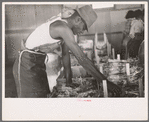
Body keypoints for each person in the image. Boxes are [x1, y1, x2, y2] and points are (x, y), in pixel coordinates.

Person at [13, 5, 121, 98]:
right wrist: (105, 81)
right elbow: (82, 58)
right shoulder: (62, 27)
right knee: (33, 99)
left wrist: (69, 81)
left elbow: (65, 55)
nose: (82, 32)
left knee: (43, 95)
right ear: (78, 20)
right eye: (83, 28)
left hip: (37, 62)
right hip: (26, 64)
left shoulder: (66, 28)